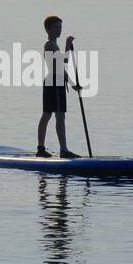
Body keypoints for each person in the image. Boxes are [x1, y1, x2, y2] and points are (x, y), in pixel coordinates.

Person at [37, 14, 80, 158]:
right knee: (51, 115)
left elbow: (60, 68)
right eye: (56, 27)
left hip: (58, 82)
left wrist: (73, 84)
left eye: (60, 27)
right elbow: (64, 60)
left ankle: (60, 149)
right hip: (53, 83)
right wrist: (68, 45)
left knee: (57, 116)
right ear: (48, 29)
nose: (59, 30)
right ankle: (52, 149)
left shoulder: (55, 45)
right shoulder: (49, 44)